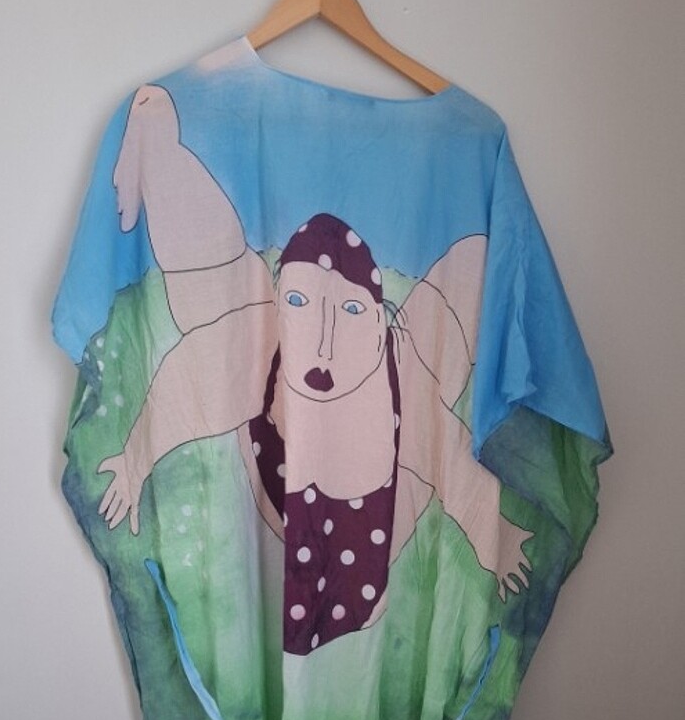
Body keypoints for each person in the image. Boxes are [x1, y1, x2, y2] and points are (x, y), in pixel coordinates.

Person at [98, 84, 532, 655]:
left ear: (376, 323)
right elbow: (183, 381)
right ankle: (157, 138)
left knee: (457, 294)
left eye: (350, 311)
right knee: (220, 286)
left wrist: (496, 537)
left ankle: (454, 243)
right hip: (275, 458)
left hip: (380, 510)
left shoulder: (404, 379)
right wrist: (134, 461)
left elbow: (454, 466)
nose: (323, 343)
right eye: (299, 302)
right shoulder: (257, 341)